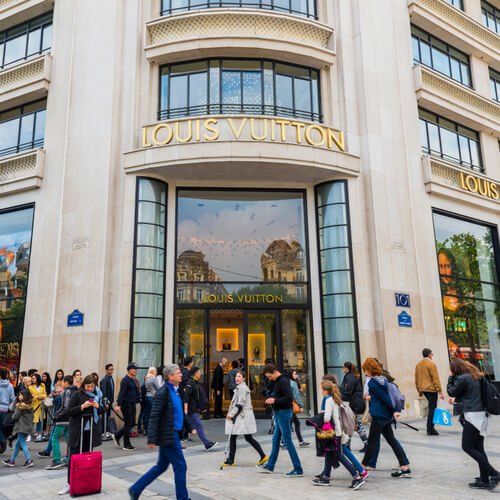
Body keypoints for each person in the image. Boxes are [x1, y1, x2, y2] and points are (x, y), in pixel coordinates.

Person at [128, 364, 195, 500]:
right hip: (169, 434)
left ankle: (136, 489)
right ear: (170, 376)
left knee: (161, 466)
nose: (181, 374)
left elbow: (179, 411)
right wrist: (151, 438)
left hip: (174, 433)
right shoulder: (163, 392)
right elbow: (155, 416)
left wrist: (189, 426)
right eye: (178, 373)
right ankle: (183, 498)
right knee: (181, 466)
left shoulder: (177, 390)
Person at [447, 359, 499, 490]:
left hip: (472, 415)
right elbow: (470, 394)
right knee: (479, 447)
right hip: (483, 415)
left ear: (455, 369)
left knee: (467, 446)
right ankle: (484, 479)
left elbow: (451, 391)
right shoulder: (477, 376)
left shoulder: (462, 378)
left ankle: (494, 473)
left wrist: (450, 377)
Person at [360, 358, 411, 478]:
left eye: (365, 370)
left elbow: (385, 398)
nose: (365, 372)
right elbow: (382, 397)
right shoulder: (384, 379)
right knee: (391, 440)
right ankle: (404, 466)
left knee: (372, 441)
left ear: (369, 369)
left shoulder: (372, 383)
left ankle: (362, 468)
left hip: (379, 416)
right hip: (386, 416)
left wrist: (394, 409)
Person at [312, 380, 366, 489]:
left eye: (322, 389)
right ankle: (325, 477)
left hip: (333, 433)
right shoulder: (335, 399)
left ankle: (357, 478)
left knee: (339, 455)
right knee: (329, 453)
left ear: (326, 391)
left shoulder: (328, 400)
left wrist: (322, 415)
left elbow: (327, 418)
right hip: (338, 431)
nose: (321, 391)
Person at [57, 374, 103, 496]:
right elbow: (70, 411)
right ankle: (69, 483)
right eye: (88, 386)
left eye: (92, 386)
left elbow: (103, 411)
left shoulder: (96, 395)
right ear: (84, 385)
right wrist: (83, 406)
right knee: (74, 458)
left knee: (87, 458)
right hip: (77, 431)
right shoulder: (77, 394)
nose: (90, 388)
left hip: (90, 431)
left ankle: (85, 482)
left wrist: (98, 407)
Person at [256, 364, 303, 477]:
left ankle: (298, 469)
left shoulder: (283, 381)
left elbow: (288, 399)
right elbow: (271, 390)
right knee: (275, 440)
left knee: (287, 441)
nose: (269, 378)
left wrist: (274, 400)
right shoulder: (276, 380)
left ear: (273, 372)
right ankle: (270, 466)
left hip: (284, 412)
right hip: (279, 413)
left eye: (269, 376)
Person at [222, 370, 267, 467]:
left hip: (243, 416)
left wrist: (232, 414)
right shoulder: (240, 387)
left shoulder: (242, 388)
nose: (237, 378)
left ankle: (231, 459)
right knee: (242, 437)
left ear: (244, 378)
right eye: (236, 376)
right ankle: (231, 459)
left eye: (239, 376)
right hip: (242, 415)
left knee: (241, 437)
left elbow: (240, 403)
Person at [45, 375, 76, 470]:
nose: (62, 384)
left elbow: (65, 407)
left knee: (54, 438)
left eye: (63, 382)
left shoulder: (67, 391)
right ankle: (70, 459)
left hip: (62, 419)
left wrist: (56, 416)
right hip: (71, 419)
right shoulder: (76, 391)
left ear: (66, 382)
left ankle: (57, 460)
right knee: (68, 439)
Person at [183, 366, 217, 451]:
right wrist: (186, 408)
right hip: (190, 409)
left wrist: (201, 407)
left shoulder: (195, 383)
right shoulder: (190, 383)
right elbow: (186, 396)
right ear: (195, 374)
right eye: (199, 372)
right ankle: (207, 444)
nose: (200, 374)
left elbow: (196, 397)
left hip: (193, 408)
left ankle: (206, 443)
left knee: (197, 426)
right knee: (198, 426)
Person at [415, 348, 444, 436]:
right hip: (431, 389)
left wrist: (419, 390)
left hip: (423, 389)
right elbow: (435, 378)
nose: (432, 356)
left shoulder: (418, 365)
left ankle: (430, 427)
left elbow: (416, 378)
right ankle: (430, 428)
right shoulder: (431, 364)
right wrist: (440, 391)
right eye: (432, 354)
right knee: (432, 408)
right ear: (429, 355)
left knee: (431, 407)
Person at [2, 389, 34, 468]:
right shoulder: (30, 405)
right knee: (17, 444)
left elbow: (15, 416)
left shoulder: (20, 406)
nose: (18, 396)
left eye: (20, 395)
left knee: (23, 444)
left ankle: (29, 460)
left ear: (24, 396)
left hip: (21, 427)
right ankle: (12, 460)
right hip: (27, 426)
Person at [341, 362, 368, 451]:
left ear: (347, 368)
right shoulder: (350, 376)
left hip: (355, 404)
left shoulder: (350, 377)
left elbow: (348, 392)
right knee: (351, 423)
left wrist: (339, 395)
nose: (342, 369)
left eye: (343, 367)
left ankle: (366, 443)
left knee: (355, 424)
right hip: (355, 403)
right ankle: (348, 445)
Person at [114, 362, 140, 451]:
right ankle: (126, 444)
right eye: (134, 369)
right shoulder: (125, 380)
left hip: (132, 404)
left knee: (132, 423)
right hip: (126, 404)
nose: (136, 371)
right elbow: (121, 393)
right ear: (129, 370)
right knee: (128, 424)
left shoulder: (132, 379)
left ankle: (117, 436)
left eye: (136, 369)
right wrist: (118, 405)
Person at [287, 369, 309, 447]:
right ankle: (284, 441)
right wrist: (301, 406)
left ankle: (301, 441)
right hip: (293, 406)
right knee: (289, 425)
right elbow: (296, 396)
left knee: (296, 423)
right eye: (294, 374)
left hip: (289, 405)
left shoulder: (287, 382)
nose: (296, 376)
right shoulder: (293, 383)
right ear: (290, 375)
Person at [138, 367, 158, 435]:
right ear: (153, 371)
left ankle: (145, 428)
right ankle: (151, 429)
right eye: (155, 371)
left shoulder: (146, 378)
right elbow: (158, 388)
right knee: (153, 414)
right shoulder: (154, 379)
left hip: (147, 396)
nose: (156, 372)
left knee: (147, 413)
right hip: (153, 396)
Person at [0, 367, 15, 454]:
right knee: (1, 426)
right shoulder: (10, 385)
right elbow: (12, 398)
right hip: (5, 409)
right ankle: (2, 441)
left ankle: (2, 440)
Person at [29, 373, 47, 442]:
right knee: (32, 421)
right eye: (32, 378)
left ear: (37, 378)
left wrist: (41, 396)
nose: (32, 380)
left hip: (41, 405)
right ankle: (29, 435)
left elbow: (45, 394)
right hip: (34, 405)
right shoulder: (31, 387)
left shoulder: (42, 385)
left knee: (40, 421)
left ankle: (39, 434)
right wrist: (37, 397)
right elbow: (30, 396)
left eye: (34, 378)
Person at [100, 363, 115, 434]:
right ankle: (102, 432)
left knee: (107, 416)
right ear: (106, 370)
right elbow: (104, 392)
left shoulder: (110, 378)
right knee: (104, 417)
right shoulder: (105, 379)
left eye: (112, 369)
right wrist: (106, 402)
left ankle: (105, 431)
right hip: (106, 402)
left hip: (110, 401)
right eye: (110, 369)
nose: (111, 371)